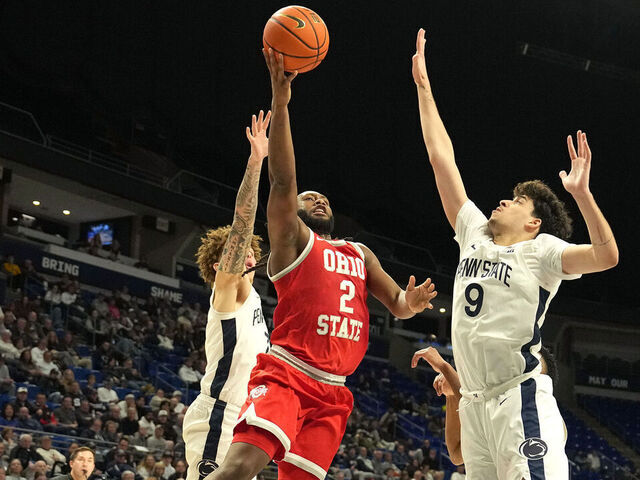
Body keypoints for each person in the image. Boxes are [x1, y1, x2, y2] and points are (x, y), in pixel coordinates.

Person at [208, 49, 437, 480]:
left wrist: (414, 300)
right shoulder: (294, 242)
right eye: (307, 197)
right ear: (290, 213)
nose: (318, 198)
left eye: (322, 197)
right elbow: (283, 181)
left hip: (333, 393)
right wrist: (281, 102)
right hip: (288, 374)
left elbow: (399, 307)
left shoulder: (360, 253)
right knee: (239, 469)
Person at [411, 28, 618, 480]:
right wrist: (424, 90)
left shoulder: (542, 252)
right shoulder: (473, 233)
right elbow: (440, 157)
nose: (503, 201)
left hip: (517, 397)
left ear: (534, 222)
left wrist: (582, 195)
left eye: (517, 201)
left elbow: (606, 257)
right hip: (474, 403)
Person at [183, 110, 272, 480]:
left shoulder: (254, 301)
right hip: (219, 414)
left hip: (245, 417)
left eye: (250, 248)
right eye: (237, 252)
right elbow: (242, 219)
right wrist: (256, 162)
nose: (247, 252)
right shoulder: (229, 295)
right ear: (220, 268)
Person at [412, 345, 559, 468]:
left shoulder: (543, 417)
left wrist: (446, 369)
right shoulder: (505, 403)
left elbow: (481, 416)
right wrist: (451, 394)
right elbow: (457, 451)